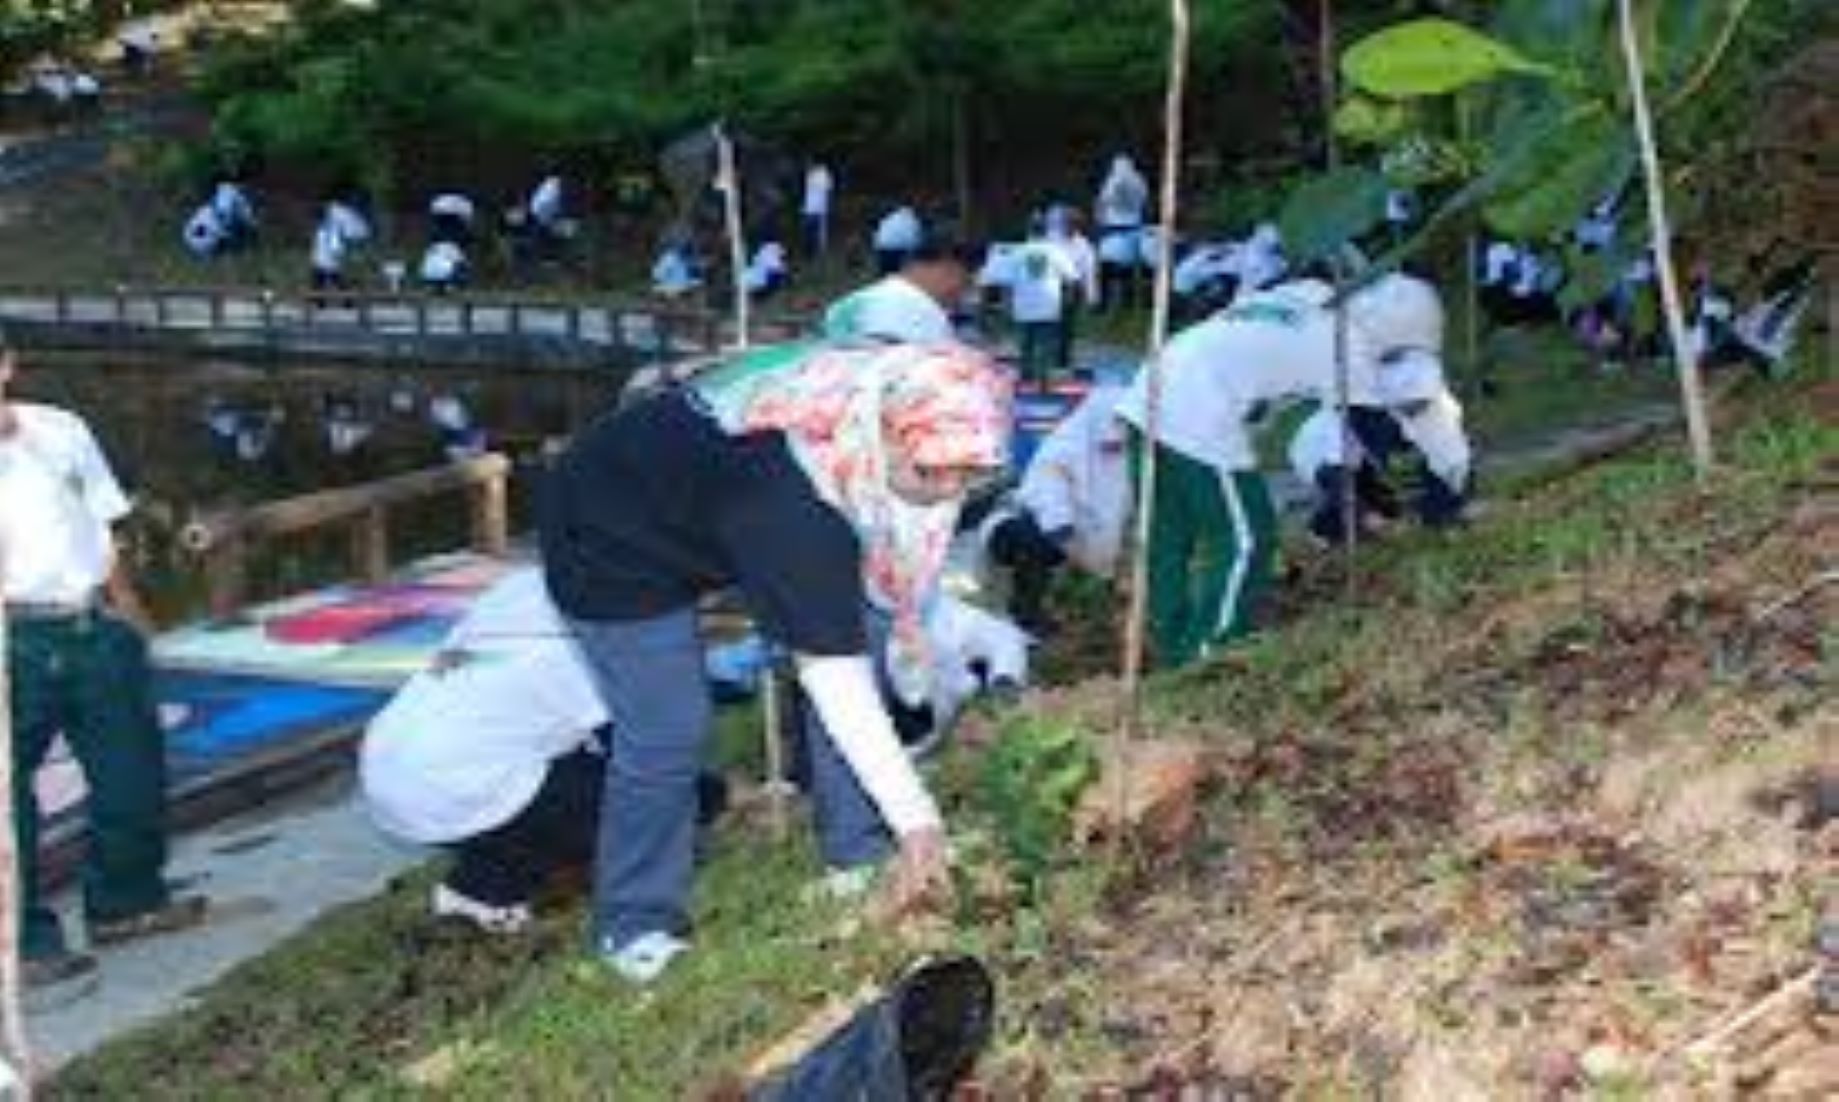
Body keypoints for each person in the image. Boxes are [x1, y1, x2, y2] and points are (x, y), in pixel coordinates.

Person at [540, 341, 1009, 982]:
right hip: (608, 531)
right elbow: (832, 676)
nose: (948, 494)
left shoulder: (901, 390)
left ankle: (857, 852)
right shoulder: (793, 510)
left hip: (707, 494)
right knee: (668, 729)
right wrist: (919, 819)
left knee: (862, 631)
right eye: (932, 474)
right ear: (886, 440)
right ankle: (634, 924)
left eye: (971, 473)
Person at [0, 331, 208, 1001]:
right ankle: (25, 942)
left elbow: (102, 523)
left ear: (7, 364)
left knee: (132, 770)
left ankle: (127, 901)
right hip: (13, 636)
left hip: (94, 625)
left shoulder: (60, 430)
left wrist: (131, 615)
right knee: (8, 801)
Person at [361, 567, 726, 935]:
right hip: (452, 781)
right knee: (656, 816)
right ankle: (480, 894)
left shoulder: (528, 589)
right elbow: (643, 756)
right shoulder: (592, 646)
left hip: (390, 765)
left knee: (551, 788)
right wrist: (715, 797)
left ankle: (498, 860)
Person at [1116, 274, 1446, 666]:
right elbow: (1384, 441)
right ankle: (1209, 653)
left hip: (1148, 389)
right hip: (1199, 407)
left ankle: (1170, 646)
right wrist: (1441, 506)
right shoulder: (1347, 346)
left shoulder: (1309, 294)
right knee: (1246, 538)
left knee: (1167, 537)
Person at [977, 380, 1131, 631]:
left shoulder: (1132, 457)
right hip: (1045, 537)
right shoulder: (1063, 450)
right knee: (1031, 539)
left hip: (1093, 550)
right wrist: (1081, 556)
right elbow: (1051, 508)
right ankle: (1026, 611)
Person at [1286, 358, 1473, 546]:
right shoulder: (1345, 423)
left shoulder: (1438, 404)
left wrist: (1454, 501)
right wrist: (1367, 516)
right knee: (1366, 507)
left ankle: (1435, 514)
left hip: (1369, 454)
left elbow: (1449, 454)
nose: (1418, 409)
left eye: (1422, 402)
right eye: (1413, 403)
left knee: (1399, 497)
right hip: (1320, 454)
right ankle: (1326, 530)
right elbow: (1336, 479)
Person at [822, 233, 976, 345]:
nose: (960, 293)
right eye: (964, 280)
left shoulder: (854, 300)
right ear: (943, 267)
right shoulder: (919, 310)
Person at [1008, 232, 1081, 384]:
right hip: (1048, 301)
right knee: (1046, 342)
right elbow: (1073, 277)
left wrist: (1008, 302)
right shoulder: (1055, 251)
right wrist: (1069, 299)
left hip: (1024, 301)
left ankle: (1025, 376)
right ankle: (1043, 378)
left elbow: (1007, 279)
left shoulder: (1018, 251)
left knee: (1026, 343)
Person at [872, 206, 923, 275]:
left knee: (886, 275)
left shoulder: (889, 219)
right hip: (898, 250)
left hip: (883, 249)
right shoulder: (911, 221)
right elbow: (913, 239)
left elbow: (879, 234)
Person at [802, 162, 836, 258]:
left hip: (818, 208)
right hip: (811, 208)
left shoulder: (821, 174)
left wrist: (829, 205)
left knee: (818, 231)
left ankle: (818, 252)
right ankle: (812, 252)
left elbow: (829, 191)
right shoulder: (811, 174)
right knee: (812, 231)